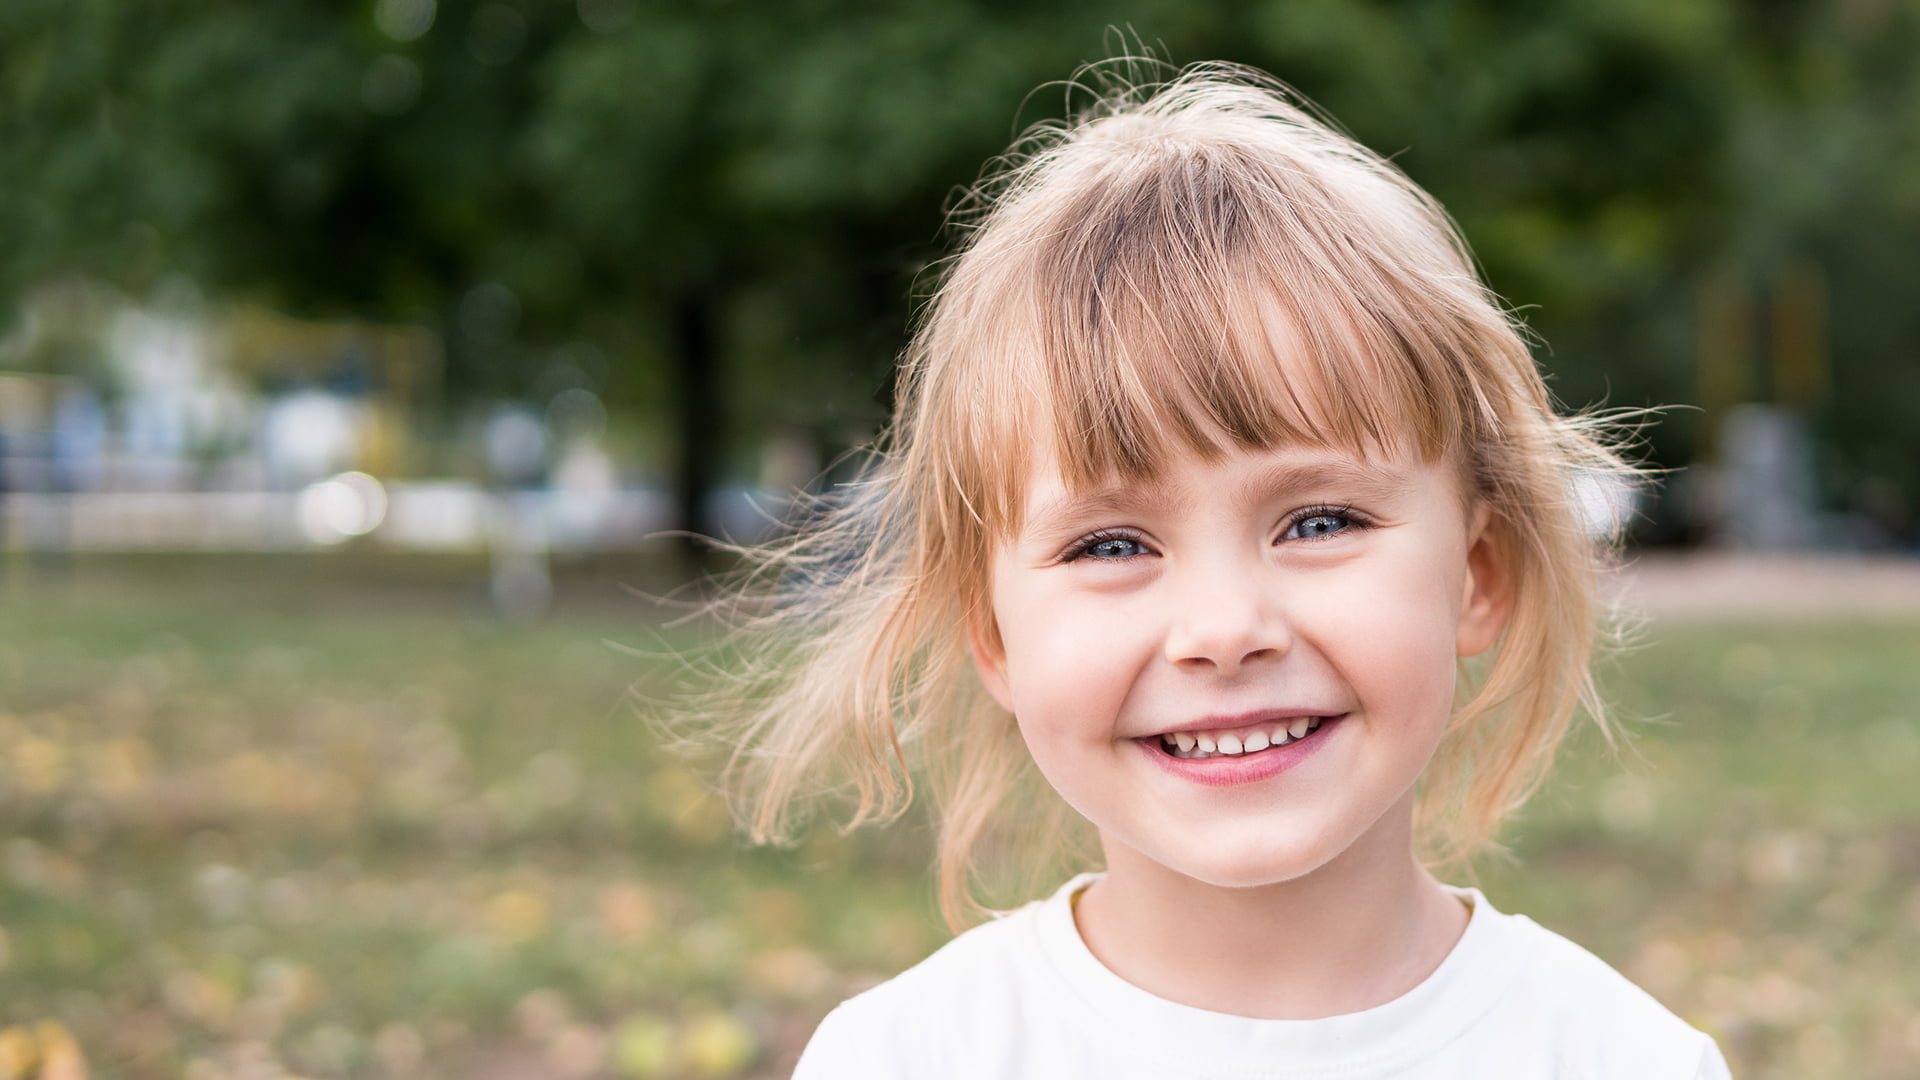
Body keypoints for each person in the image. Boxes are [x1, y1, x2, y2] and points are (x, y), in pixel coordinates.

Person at [685, 61, 1732, 1078]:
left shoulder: (1624, 1059)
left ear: (1479, 572)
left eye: (1319, 522)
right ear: (995, 635)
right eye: (1110, 545)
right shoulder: (907, 1059)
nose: (1225, 628)